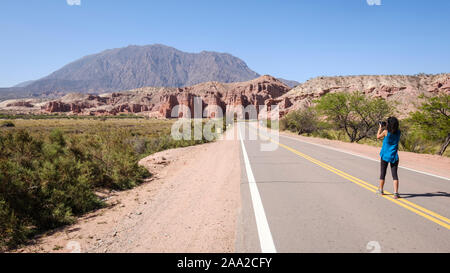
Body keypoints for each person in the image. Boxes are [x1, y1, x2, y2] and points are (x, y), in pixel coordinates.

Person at [377, 117, 401, 199]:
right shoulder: (399, 132)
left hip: (385, 155)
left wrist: (380, 128)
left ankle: (381, 190)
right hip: (394, 156)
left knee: (383, 173)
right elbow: (394, 130)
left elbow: (378, 136)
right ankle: (396, 193)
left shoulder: (385, 132)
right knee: (395, 175)